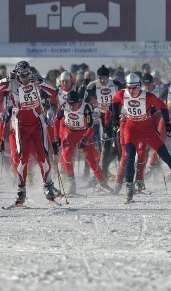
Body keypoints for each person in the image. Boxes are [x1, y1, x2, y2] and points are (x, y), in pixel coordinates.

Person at [112, 73, 171, 203]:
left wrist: (168, 124)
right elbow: (114, 101)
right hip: (131, 129)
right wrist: (115, 119)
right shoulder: (122, 94)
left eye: (134, 87)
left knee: (166, 157)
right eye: (129, 87)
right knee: (130, 155)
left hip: (147, 130)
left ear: (139, 86)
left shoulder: (147, 96)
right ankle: (129, 187)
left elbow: (163, 107)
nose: (131, 90)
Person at [0, 61, 59, 205]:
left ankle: (48, 186)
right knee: (23, 158)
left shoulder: (35, 81)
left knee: (42, 155)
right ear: (18, 74)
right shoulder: (12, 83)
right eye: (22, 76)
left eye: (27, 75)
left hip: (37, 122)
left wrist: (41, 81)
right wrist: (6, 79)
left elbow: (54, 92)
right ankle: (21, 190)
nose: (25, 78)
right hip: (21, 124)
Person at [55, 90, 113, 194]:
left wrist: (85, 139)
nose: (72, 107)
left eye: (74, 104)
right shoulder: (64, 106)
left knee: (91, 160)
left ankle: (102, 183)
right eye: (70, 104)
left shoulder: (85, 108)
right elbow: (56, 120)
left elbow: (90, 128)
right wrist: (56, 136)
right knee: (66, 156)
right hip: (70, 132)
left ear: (79, 102)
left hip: (84, 133)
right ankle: (72, 184)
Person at [81, 65, 124, 178]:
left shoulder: (115, 84)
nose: (103, 80)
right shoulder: (93, 85)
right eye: (100, 78)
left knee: (119, 143)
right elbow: (84, 100)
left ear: (108, 77)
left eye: (105, 78)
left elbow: (127, 96)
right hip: (102, 117)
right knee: (106, 144)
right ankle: (103, 173)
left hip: (116, 116)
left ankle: (121, 172)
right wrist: (92, 103)